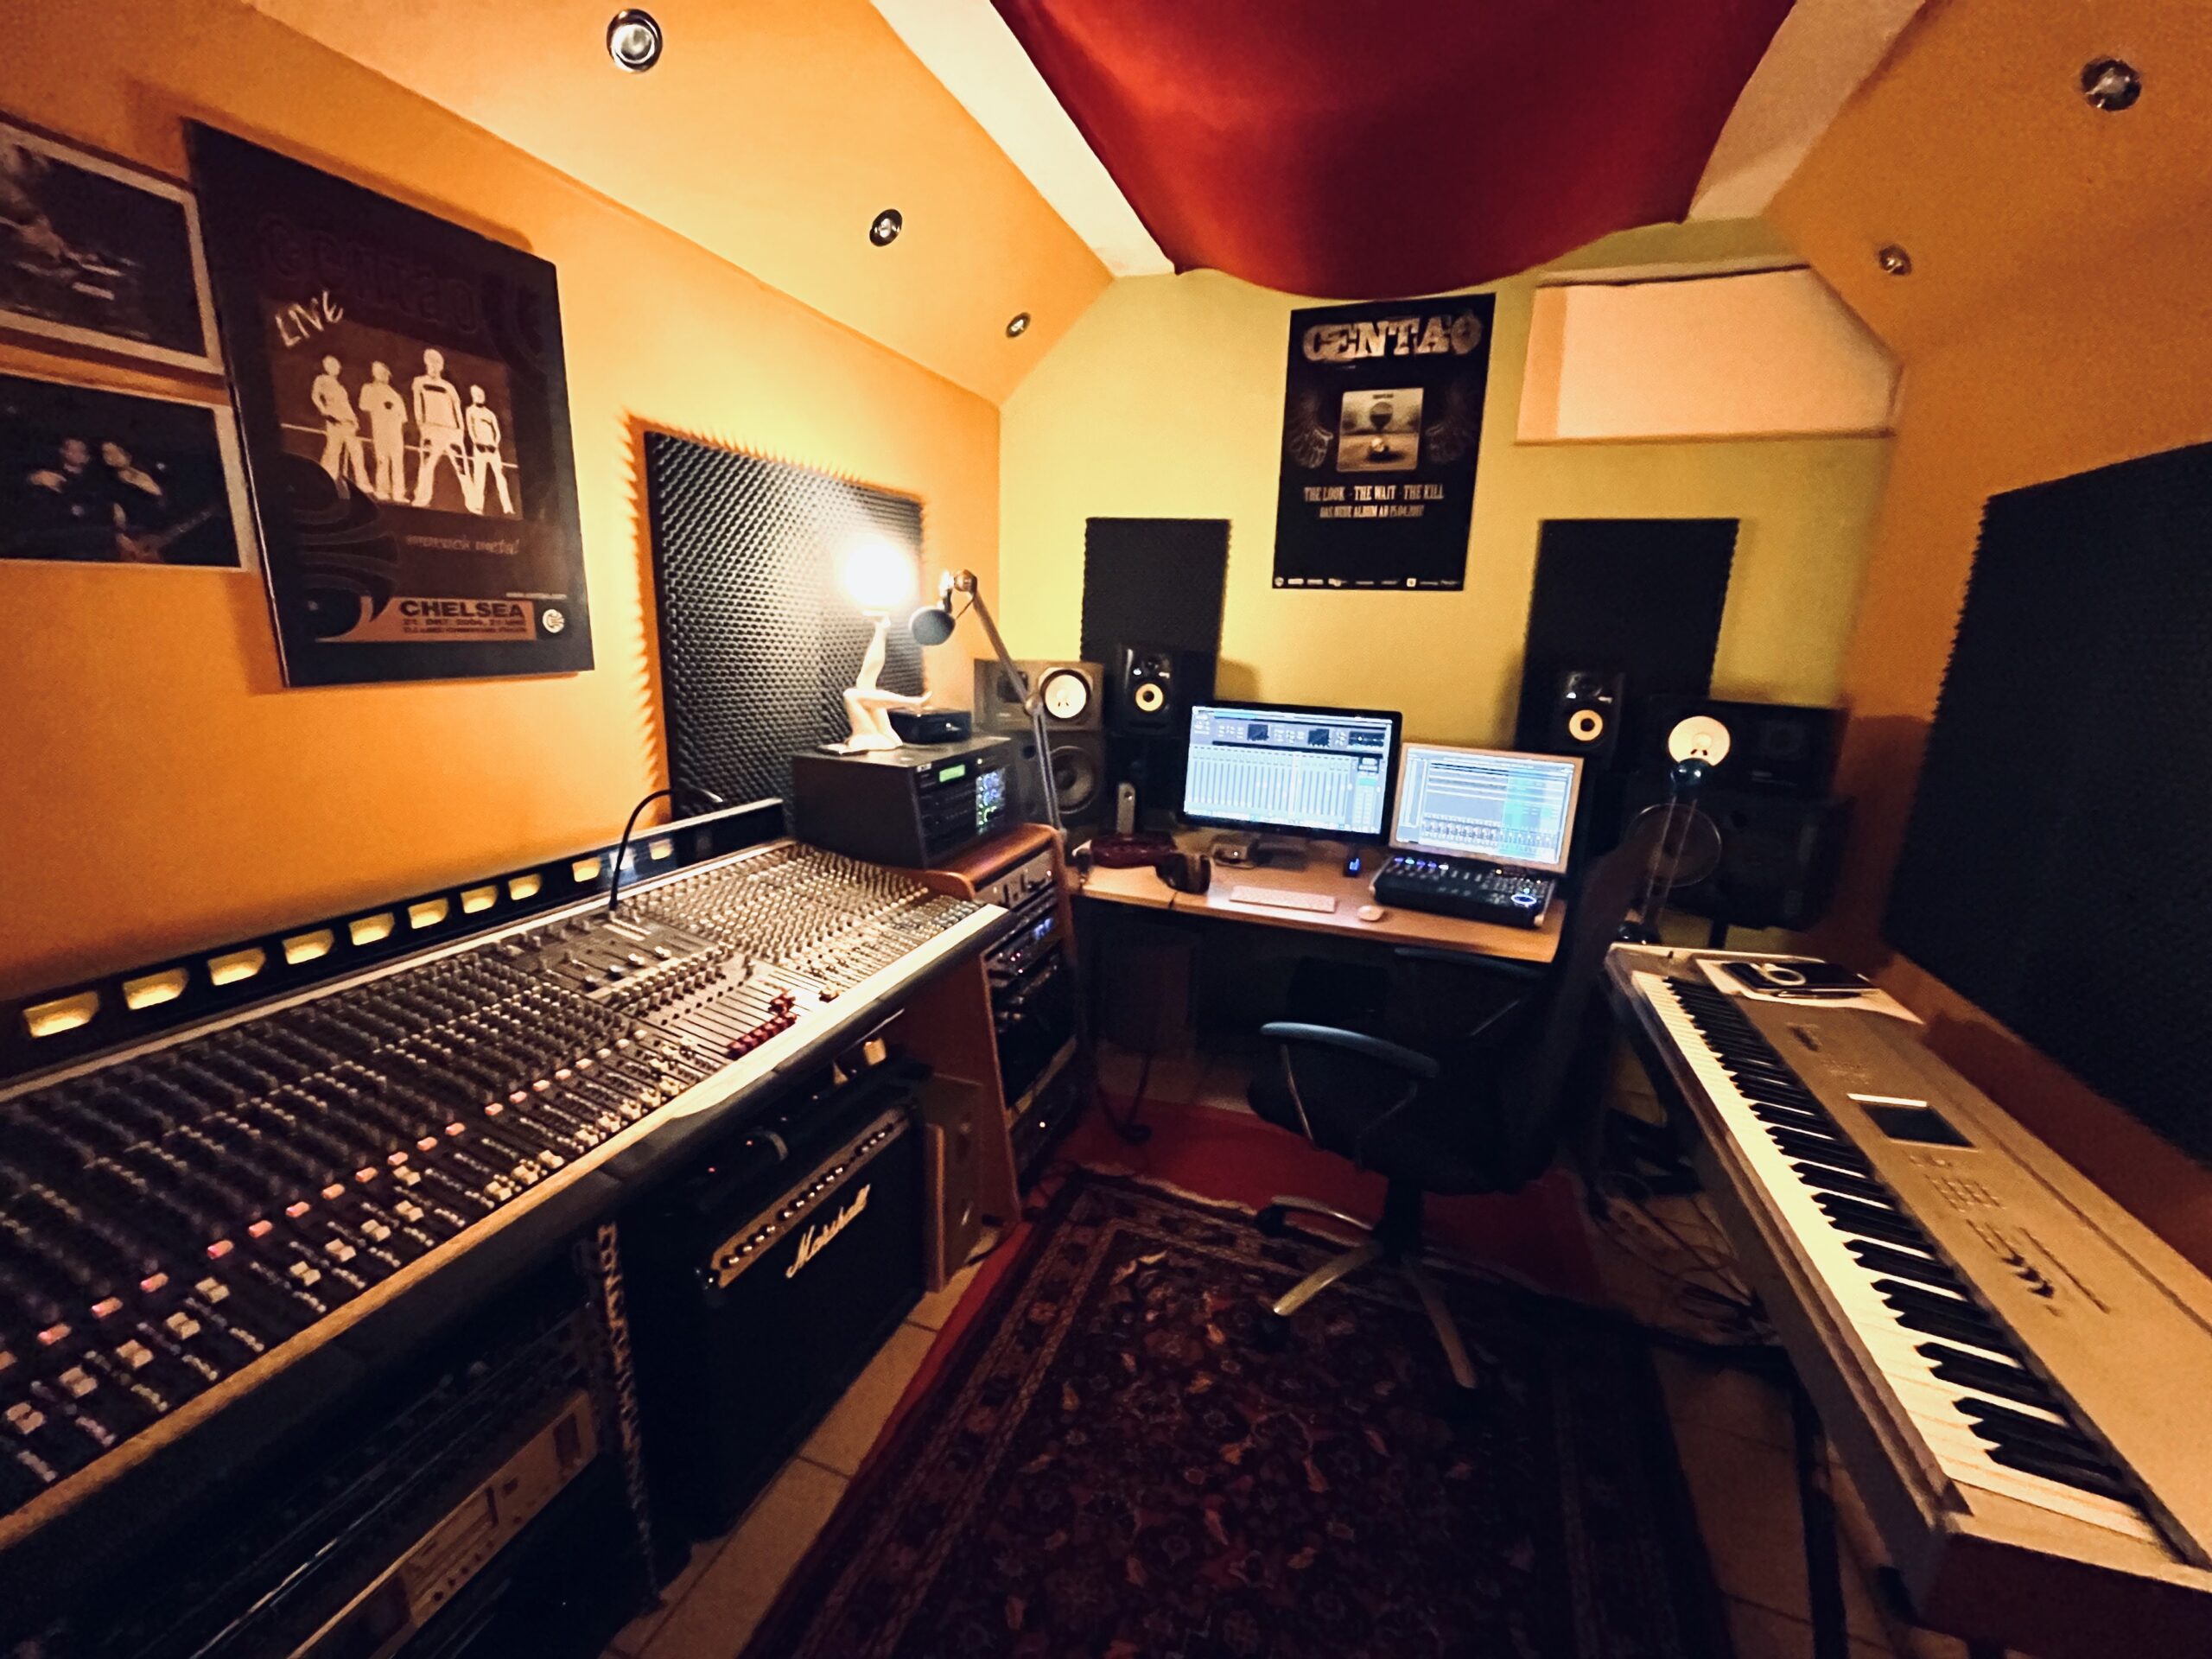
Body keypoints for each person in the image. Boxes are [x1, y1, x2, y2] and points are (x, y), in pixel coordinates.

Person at [410, 348, 468, 509]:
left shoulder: (448, 386)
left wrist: (460, 430)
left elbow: (457, 408)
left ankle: (474, 503)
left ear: (441, 366)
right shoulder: (419, 382)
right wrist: (422, 425)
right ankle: (421, 499)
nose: (434, 366)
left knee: (462, 467)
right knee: (426, 465)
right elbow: (417, 403)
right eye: (431, 363)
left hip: (451, 431)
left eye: (437, 363)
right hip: (432, 429)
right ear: (426, 364)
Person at [311, 354, 371, 492]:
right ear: (327, 367)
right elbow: (315, 396)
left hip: (347, 422)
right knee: (333, 450)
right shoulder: (322, 379)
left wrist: (354, 419)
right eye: (333, 365)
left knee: (356, 451)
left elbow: (345, 404)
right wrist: (325, 412)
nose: (337, 368)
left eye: (337, 365)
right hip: (335, 420)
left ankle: (363, 482)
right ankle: (326, 479)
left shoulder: (340, 386)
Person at [358, 361, 408, 501]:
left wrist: (394, 413)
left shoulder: (395, 394)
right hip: (381, 430)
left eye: (385, 373)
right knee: (382, 460)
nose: (383, 376)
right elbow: (363, 404)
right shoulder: (369, 388)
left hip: (395, 432)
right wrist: (380, 405)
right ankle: (382, 490)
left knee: (398, 463)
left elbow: (403, 417)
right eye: (380, 373)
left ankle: (399, 493)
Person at [463, 385, 513, 516]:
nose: (480, 397)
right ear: (473, 396)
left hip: (492, 449)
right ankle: (478, 506)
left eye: (481, 394)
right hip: (479, 448)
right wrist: (476, 443)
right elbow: (470, 429)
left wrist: (495, 445)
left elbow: (497, 432)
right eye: (477, 395)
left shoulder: (490, 414)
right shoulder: (470, 411)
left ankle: (507, 507)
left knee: (500, 477)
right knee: (479, 477)